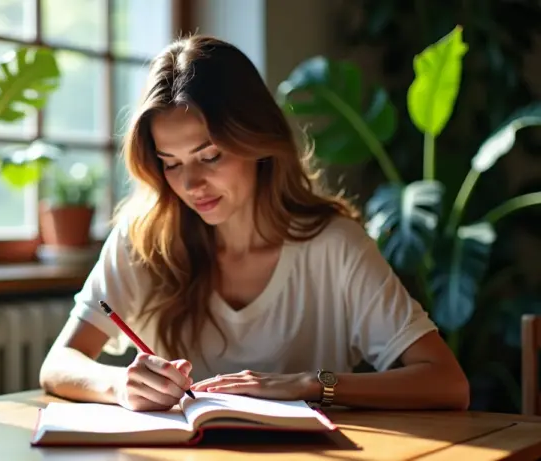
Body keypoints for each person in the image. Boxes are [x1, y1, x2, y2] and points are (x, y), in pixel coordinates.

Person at [39, 35, 470, 412]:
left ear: (258, 141)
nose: (190, 184)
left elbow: (447, 383)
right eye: (170, 164)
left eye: (210, 157)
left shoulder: (334, 246)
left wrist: (310, 385)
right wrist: (119, 385)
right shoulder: (145, 238)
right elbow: (58, 365)